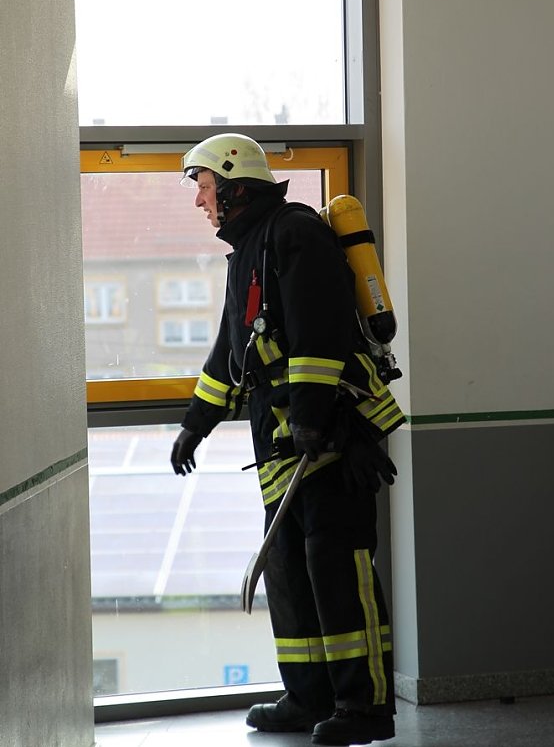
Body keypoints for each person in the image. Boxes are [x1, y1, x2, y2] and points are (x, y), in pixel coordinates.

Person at [170, 133, 405, 746]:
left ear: (234, 184)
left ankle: (366, 706)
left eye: (203, 186)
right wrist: (196, 423)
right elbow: (234, 352)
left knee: (337, 566)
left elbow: (319, 335)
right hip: (284, 443)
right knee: (290, 570)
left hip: (330, 437)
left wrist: (308, 416)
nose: (200, 201)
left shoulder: (295, 234)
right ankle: (308, 696)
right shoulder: (248, 249)